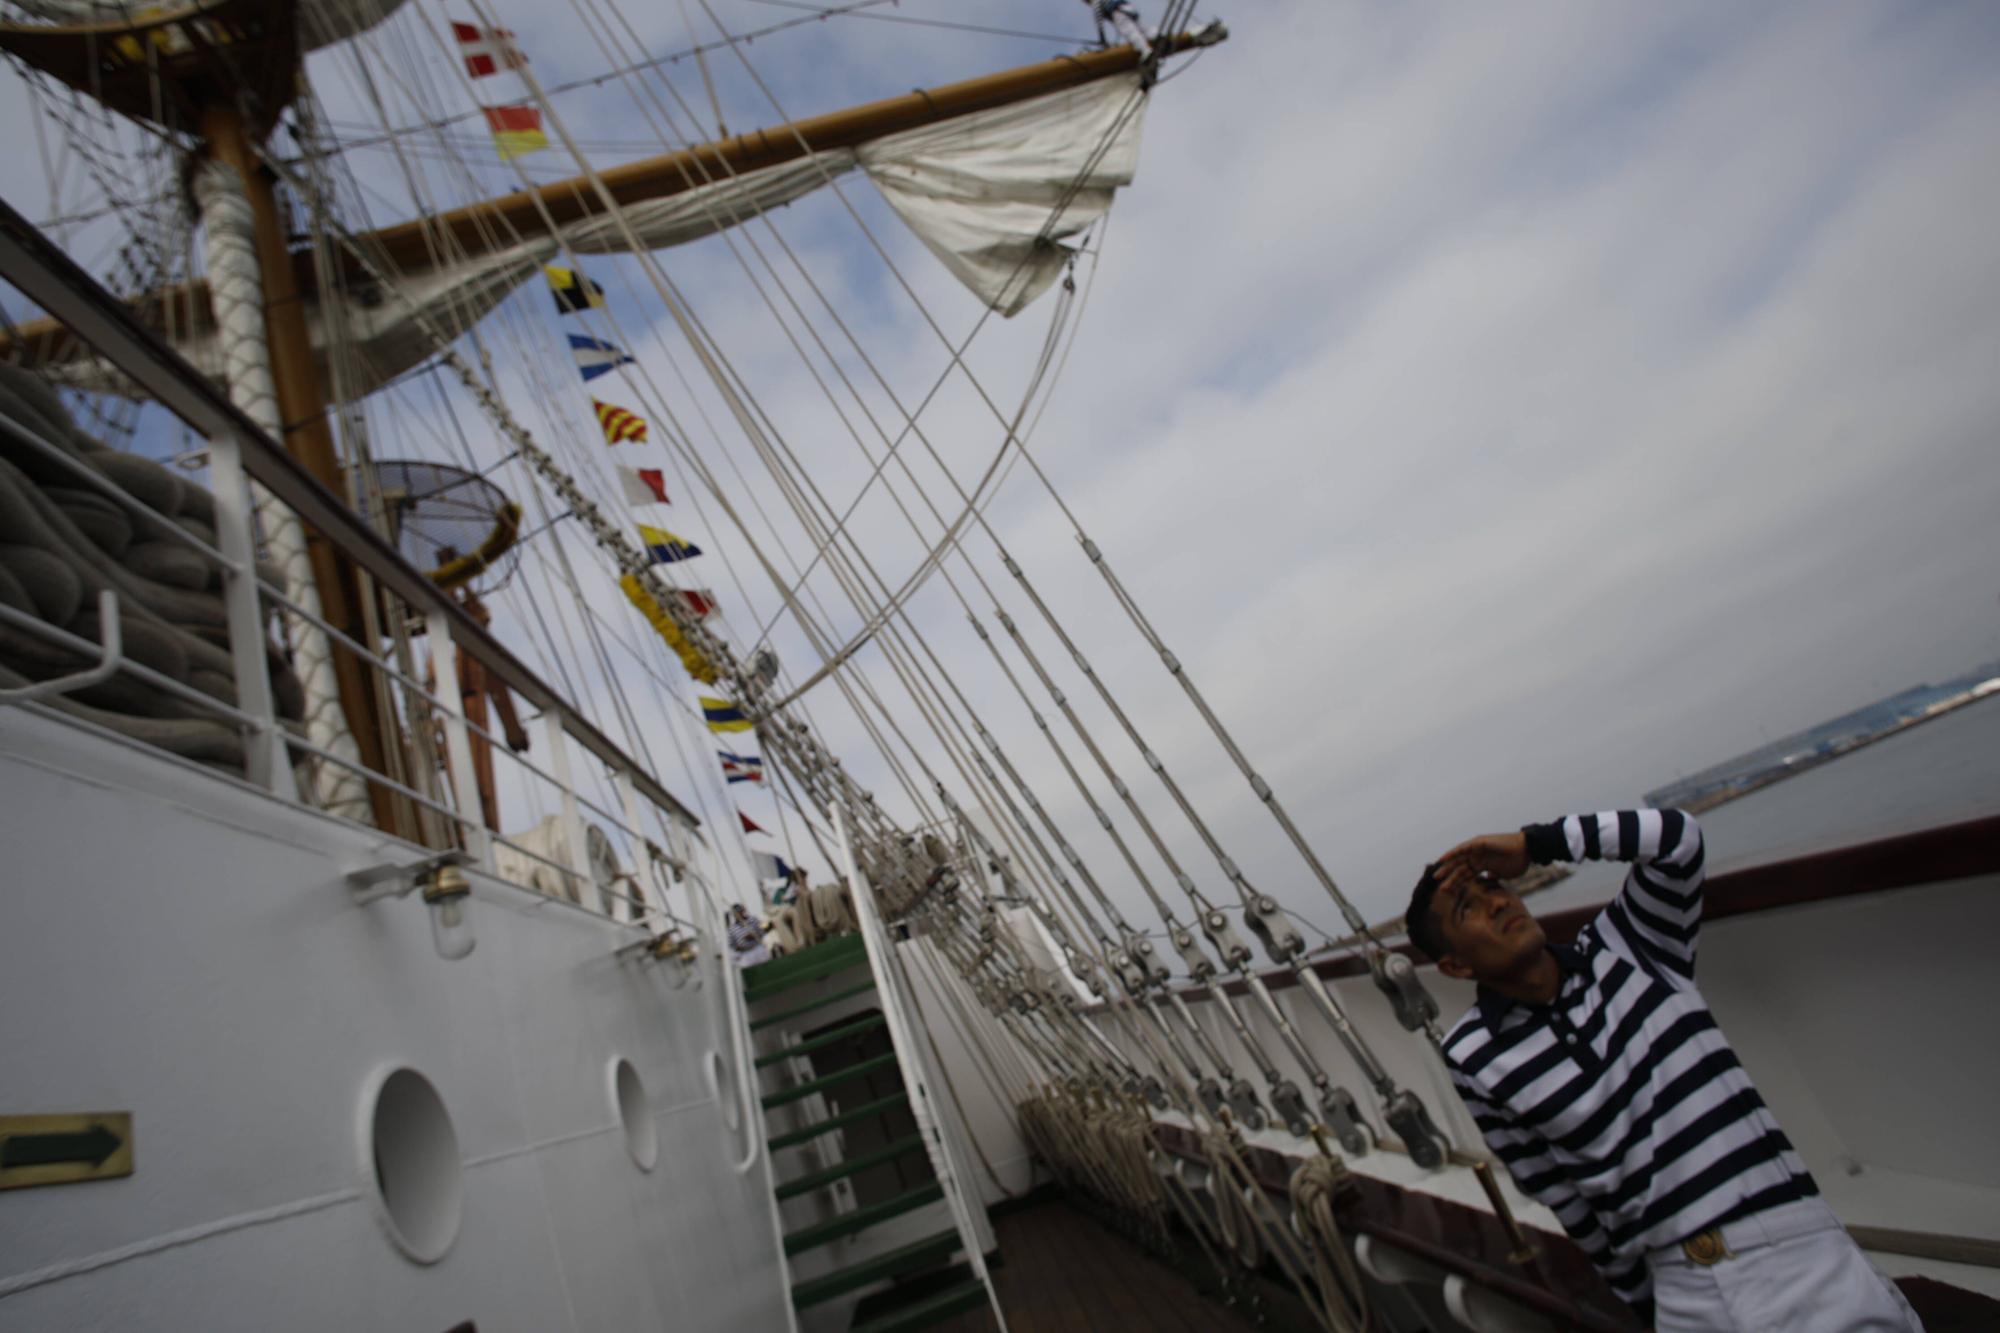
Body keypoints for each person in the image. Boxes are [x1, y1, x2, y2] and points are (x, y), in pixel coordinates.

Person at [1407, 809, 1922, 1332]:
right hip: (1679, 1290)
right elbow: (1560, 1192)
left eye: (1495, 888)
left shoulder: (1632, 947)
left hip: (1788, 1247)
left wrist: (1534, 844)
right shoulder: (1473, 1055)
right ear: (1456, 967)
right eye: (1469, 907)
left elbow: (1678, 840)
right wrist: (1646, 1308)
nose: (1498, 902)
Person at [1082, 0, 1152, 62]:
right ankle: (1155, 35)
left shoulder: (1095, 2)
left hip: (1117, 12)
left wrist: (1102, 39)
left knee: (1130, 32)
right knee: (1142, 28)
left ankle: (1145, 50)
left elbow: (1099, 22)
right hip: (1127, 8)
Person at [726, 903, 770, 968]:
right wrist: (738, 947)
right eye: (737, 913)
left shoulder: (753, 919)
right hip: (746, 954)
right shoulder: (732, 929)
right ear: (734, 915)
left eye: (740, 911)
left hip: (758, 948)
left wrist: (755, 935)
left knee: (767, 966)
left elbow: (765, 928)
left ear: (743, 910)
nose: (739, 914)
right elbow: (731, 945)